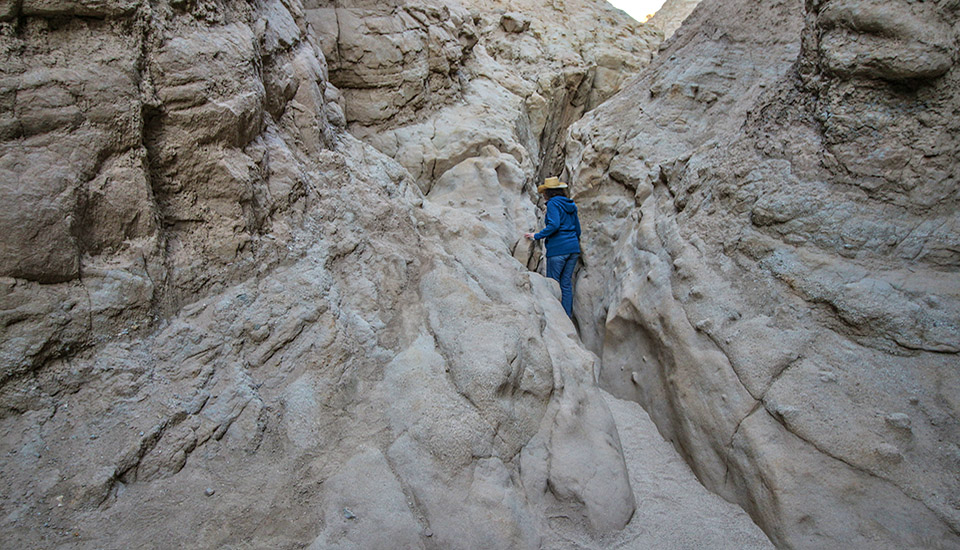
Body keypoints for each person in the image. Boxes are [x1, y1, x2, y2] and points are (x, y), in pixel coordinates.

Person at [524, 177, 581, 318]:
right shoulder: (570, 204)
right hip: (573, 248)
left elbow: (554, 225)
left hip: (558, 249)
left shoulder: (553, 204)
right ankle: (566, 317)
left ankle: (556, 318)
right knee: (566, 284)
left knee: (553, 284)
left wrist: (536, 235)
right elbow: (578, 229)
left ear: (548, 193)